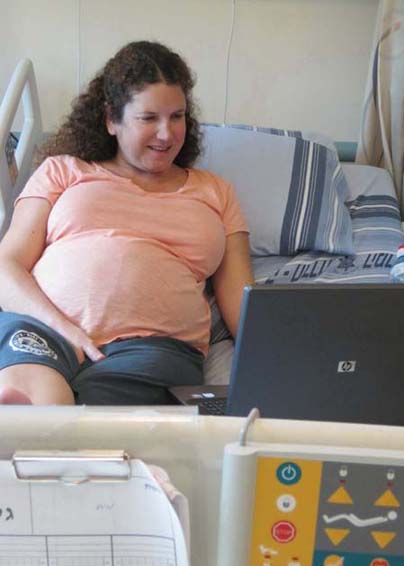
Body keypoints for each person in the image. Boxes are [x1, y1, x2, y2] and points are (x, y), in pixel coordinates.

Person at [0, 41, 254, 406]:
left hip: (153, 349)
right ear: (111, 119)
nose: (167, 134)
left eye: (177, 116)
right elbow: (6, 265)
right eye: (148, 118)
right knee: (35, 396)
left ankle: (57, 430)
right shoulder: (63, 171)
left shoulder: (216, 192)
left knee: (90, 422)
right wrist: (63, 328)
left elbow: (245, 305)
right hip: (42, 328)